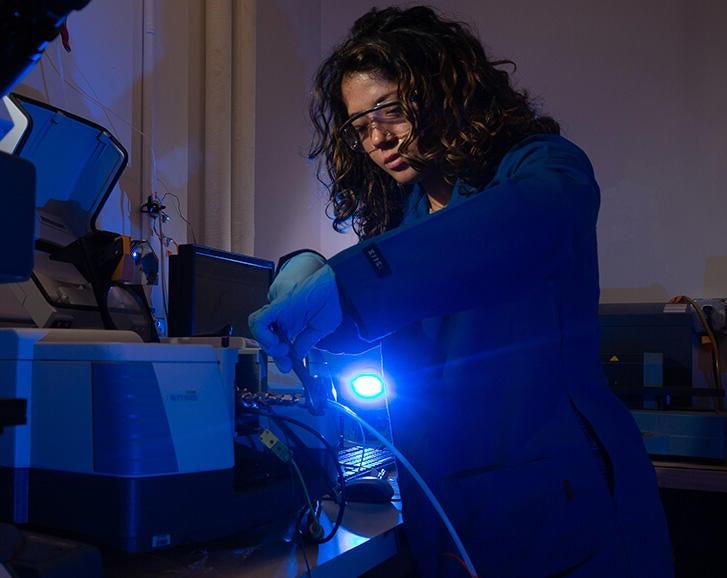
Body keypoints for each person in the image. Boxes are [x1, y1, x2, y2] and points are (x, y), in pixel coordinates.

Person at [248, 6, 671, 577]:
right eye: (359, 125)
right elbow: (368, 316)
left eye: (390, 109)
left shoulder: (542, 168)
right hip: (445, 504)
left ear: (444, 90)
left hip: (561, 505)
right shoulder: (406, 218)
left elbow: (519, 227)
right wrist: (304, 267)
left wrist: (348, 280)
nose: (376, 138)